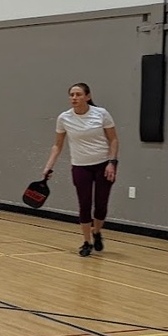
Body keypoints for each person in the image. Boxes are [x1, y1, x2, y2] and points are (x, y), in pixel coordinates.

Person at [42, 82, 119, 257]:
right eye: (72, 95)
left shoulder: (101, 114)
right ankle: (86, 242)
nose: (74, 98)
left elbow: (113, 140)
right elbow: (58, 145)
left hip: (103, 165)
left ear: (88, 97)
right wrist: (48, 166)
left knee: (101, 205)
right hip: (80, 166)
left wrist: (112, 162)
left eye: (78, 94)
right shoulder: (64, 118)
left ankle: (97, 232)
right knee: (84, 204)